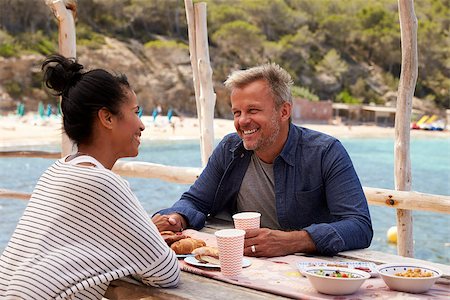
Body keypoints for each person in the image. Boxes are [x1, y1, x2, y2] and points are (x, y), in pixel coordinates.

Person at [0, 54, 180, 299]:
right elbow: (167, 272)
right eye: (135, 112)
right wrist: (140, 246)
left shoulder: (58, 170)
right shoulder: (103, 183)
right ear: (107, 118)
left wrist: (142, 235)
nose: (141, 125)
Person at [152, 63, 373, 257]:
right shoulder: (230, 149)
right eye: (237, 112)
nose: (243, 121)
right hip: (242, 267)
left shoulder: (326, 152)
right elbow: (196, 201)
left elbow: (359, 225)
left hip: (310, 274)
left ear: (284, 111)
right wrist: (177, 217)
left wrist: (291, 241)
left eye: (253, 110)